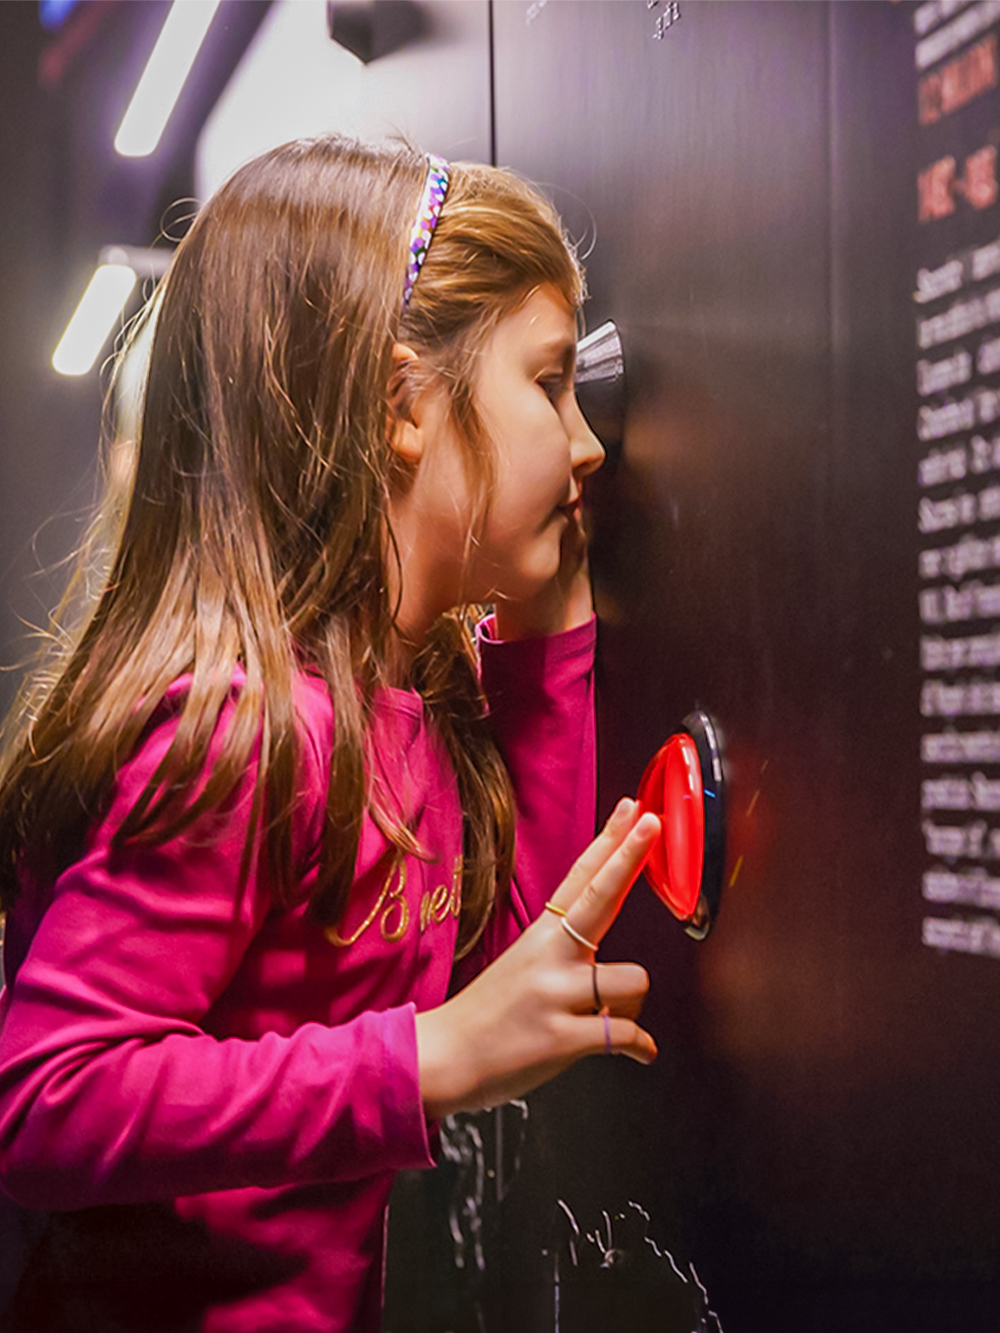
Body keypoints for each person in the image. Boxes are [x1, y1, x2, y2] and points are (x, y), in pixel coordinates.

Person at [0, 135, 659, 1332]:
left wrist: (547, 622)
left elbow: (518, 967)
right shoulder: (245, 726)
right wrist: (421, 1063)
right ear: (405, 405)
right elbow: (51, 1099)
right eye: (549, 383)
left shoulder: (401, 703)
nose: (585, 442)